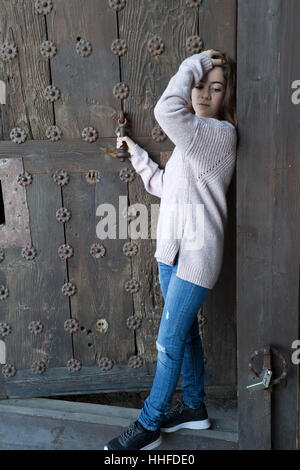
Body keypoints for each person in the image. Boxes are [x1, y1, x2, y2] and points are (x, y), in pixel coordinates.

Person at [104, 49, 238, 450]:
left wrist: (194, 63)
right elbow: (168, 187)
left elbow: (166, 110)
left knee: (166, 343)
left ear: (225, 97)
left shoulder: (218, 135)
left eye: (214, 88)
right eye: (198, 86)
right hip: (171, 256)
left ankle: (148, 425)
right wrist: (136, 155)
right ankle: (195, 408)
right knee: (185, 337)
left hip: (197, 260)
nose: (202, 94)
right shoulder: (191, 140)